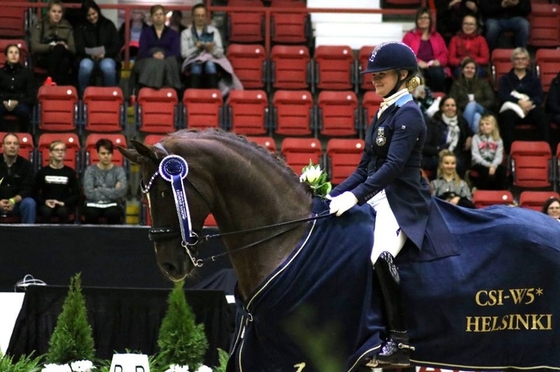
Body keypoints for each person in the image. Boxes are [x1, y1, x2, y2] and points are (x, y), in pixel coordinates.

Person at [328, 42, 427, 367]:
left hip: (401, 201)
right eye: (374, 74)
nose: (374, 79)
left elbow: (393, 167)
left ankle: (400, 342)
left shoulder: (409, 113)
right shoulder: (384, 110)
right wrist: (331, 194)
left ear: (402, 75)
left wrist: (355, 197)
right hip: (377, 194)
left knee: (378, 255)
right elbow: (364, 168)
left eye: (381, 74)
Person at [497, 47, 549, 154]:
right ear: (512, 61)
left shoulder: (534, 80)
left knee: (542, 116)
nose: (520, 61)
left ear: (528, 61)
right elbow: (503, 95)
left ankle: (543, 149)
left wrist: (530, 103)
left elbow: (539, 97)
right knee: (507, 117)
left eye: (523, 59)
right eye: (517, 59)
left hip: (529, 109)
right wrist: (519, 102)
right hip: (512, 110)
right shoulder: (505, 79)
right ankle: (510, 152)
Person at [129, 4, 182, 96]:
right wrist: (153, 55)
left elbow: (175, 51)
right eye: (155, 14)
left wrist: (164, 55)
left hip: (167, 57)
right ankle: (147, 90)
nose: (158, 17)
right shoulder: (145, 32)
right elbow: (142, 51)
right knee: (152, 63)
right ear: (152, 17)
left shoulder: (173, 34)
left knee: (169, 62)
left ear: (164, 17)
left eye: (160, 14)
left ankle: (166, 91)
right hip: (148, 57)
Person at [74, 0, 121, 97]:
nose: (92, 17)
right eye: (88, 15)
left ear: (98, 11)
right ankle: (83, 96)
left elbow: (116, 45)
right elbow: (79, 48)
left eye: (93, 13)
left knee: (108, 67)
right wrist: (91, 54)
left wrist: (104, 54)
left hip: (107, 56)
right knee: (85, 67)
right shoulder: (80, 27)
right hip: (87, 57)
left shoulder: (108, 25)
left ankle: (110, 95)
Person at [422, 96, 473, 178]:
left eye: (453, 105)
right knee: (447, 163)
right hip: (434, 156)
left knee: (457, 163)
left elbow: (470, 132)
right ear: (442, 107)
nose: (450, 108)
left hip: (456, 156)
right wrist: (438, 151)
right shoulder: (433, 123)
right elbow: (423, 146)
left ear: (456, 108)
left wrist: (470, 137)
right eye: (447, 105)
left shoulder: (461, 122)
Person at [402, 7, 450, 93]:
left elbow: (444, 53)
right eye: (420, 18)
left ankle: (436, 99)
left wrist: (438, 61)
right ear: (417, 21)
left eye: (426, 18)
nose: (423, 20)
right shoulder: (409, 36)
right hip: (415, 66)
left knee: (438, 74)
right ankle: (419, 101)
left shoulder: (437, 36)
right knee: (416, 78)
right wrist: (418, 62)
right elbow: (404, 54)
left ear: (430, 20)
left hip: (433, 66)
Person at [82, 138, 127, 224]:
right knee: (91, 214)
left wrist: (99, 189)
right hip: (92, 204)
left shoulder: (119, 171)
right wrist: (112, 190)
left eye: (109, 153)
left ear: (112, 154)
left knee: (113, 214)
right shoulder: (90, 170)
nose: (106, 156)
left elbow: (120, 192)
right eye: (103, 153)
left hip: (112, 205)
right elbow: (89, 193)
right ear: (98, 154)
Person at [31, 0, 76, 85]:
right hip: (45, 57)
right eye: (54, 11)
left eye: (59, 12)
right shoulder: (40, 25)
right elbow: (34, 46)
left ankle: (50, 79)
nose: (56, 14)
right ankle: (59, 89)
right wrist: (52, 47)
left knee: (62, 52)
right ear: (48, 12)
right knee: (64, 62)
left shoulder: (67, 27)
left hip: (64, 54)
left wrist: (65, 47)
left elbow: (73, 49)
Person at [34, 140, 80, 223]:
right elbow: (34, 192)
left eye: (62, 150)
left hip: (63, 204)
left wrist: (64, 203)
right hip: (46, 204)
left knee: (62, 211)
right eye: (57, 150)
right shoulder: (43, 172)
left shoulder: (70, 172)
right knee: (46, 211)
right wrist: (45, 202)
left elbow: (76, 194)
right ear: (50, 153)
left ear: (65, 154)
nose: (60, 152)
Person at [449, 57, 496, 134]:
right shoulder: (456, 84)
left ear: (475, 71)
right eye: (467, 68)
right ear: (462, 70)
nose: (469, 70)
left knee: (473, 106)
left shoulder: (483, 83)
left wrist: (475, 104)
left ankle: (463, 134)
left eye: (472, 68)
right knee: (476, 117)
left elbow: (491, 101)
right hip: (463, 112)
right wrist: (467, 105)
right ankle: (474, 140)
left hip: (482, 110)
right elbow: (453, 101)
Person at [0, 44, 37, 133]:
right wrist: (3, 101)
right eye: (11, 52)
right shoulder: (0, 73)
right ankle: (4, 135)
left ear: (20, 57)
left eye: (16, 53)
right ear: (6, 57)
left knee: (24, 112)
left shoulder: (27, 73)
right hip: (2, 102)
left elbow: (32, 96)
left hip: (20, 103)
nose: (13, 55)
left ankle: (22, 135)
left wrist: (17, 102)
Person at [0, 133, 36, 223]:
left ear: (19, 147)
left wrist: (13, 201)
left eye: (15, 144)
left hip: (17, 204)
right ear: (3, 146)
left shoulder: (27, 166)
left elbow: (28, 188)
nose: (12, 146)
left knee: (29, 203)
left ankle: (28, 235)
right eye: (9, 143)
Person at [469, 114, 509, 190]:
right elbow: (475, 155)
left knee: (502, 171)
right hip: (479, 164)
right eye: (482, 124)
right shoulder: (476, 138)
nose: (484, 126)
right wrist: (488, 165)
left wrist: (493, 165)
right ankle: (483, 193)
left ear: (493, 126)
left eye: (487, 124)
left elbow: (499, 156)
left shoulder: (498, 140)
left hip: (493, 164)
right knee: (485, 171)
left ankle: (499, 194)